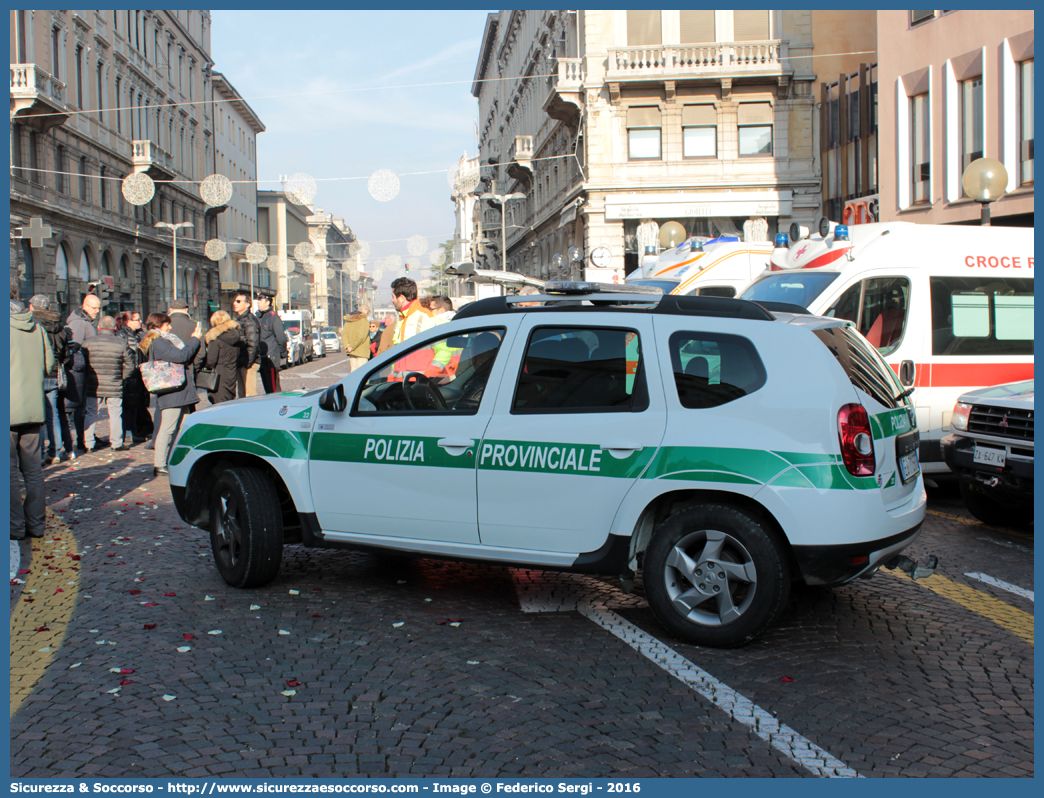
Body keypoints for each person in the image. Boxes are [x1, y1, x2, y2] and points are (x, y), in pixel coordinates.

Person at [11, 297, 55, 539]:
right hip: (33, 407)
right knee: (33, 470)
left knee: (8, 472)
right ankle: (36, 526)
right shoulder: (37, 328)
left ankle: (15, 527)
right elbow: (49, 365)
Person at [139, 312, 203, 477]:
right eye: (167, 324)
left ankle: (179, 460)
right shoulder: (159, 342)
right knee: (168, 428)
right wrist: (195, 339)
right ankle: (160, 464)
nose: (170, 327)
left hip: (179, 390)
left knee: (184, 428)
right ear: (158, 325)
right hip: (172, 390)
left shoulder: (162, 340)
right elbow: (181, 356)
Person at [29, 294, 73, 465]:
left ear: (32, 307)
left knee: (36, 417)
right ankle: (55, 451)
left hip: (36, 373)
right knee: (52, 414)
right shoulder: (59, 326)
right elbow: (66, 354)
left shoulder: (32, 325)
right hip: (55, 374)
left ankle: (38, 454)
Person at [84, 316, 137, 452]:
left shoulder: (88, 342)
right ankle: (116, 443)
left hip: (93, 383)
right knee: (115, 413)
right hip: (114, 382)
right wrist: (122, 377)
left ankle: (89, 443)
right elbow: (130, 364)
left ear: (98, 327)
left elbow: (82, 363)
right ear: (114, 328)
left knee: (91, 412)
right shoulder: (120, 343)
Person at [65, 292, 102, 451]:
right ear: (85, 306)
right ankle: (83, 439)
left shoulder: (86, 321)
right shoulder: (79, 323)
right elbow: (75, 348)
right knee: (81, 408)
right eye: (94, 308)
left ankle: (86, 437)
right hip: (81, 371)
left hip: (85, 370)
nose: (97, 311)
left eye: (99, 308)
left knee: (84, 408)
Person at [116, 311, 149, 444]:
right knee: (128, 407)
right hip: (129, 376)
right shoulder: (122, 335)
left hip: (137, 375)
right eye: (137, 320)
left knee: (135, 405)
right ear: (127, 322)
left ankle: (134, 431)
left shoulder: (136, 335)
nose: (140, 322)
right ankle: (128, 432)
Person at [203, 310, 242, 405]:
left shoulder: (215, 338)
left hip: (219, 373)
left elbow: (211, 360)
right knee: (229, 399)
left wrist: (205, 365)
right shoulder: (236, 335)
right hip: (232, 370)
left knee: (218, 401)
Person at [389, 277, 435, 347]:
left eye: (393, 297)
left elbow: (442, 349)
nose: (392, 300)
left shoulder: (425, 317)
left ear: (402, 298)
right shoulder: (403, 318)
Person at [231, 292, 261, 397]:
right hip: (242, 360)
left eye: (238, 301)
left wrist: (248, 362)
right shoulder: (239, 319)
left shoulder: (250, 320)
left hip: (248, 361)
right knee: (242, 394)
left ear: (248, 304)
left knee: (249, 394)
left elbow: (253, 343)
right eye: (235, 301)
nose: (235, 303)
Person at [254, 294, 287, 392]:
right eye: (258, 299)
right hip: (262, 357)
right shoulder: (259, 316)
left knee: (273, 389)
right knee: (267, 389)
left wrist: (282, 353)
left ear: (267, 302)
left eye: (260, 300)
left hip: (270, 358)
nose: (258, 302)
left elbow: (280, 338)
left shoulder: (273, 317)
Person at [341, 304, 372, 372]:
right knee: (362, 373)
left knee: (353, 373)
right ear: (366, 312)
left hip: (352, 351)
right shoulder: (364, 321)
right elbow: (361, 337)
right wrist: (352, 346)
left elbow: (344, 334)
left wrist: (347, 346)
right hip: (361, 352)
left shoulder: (349, 320)